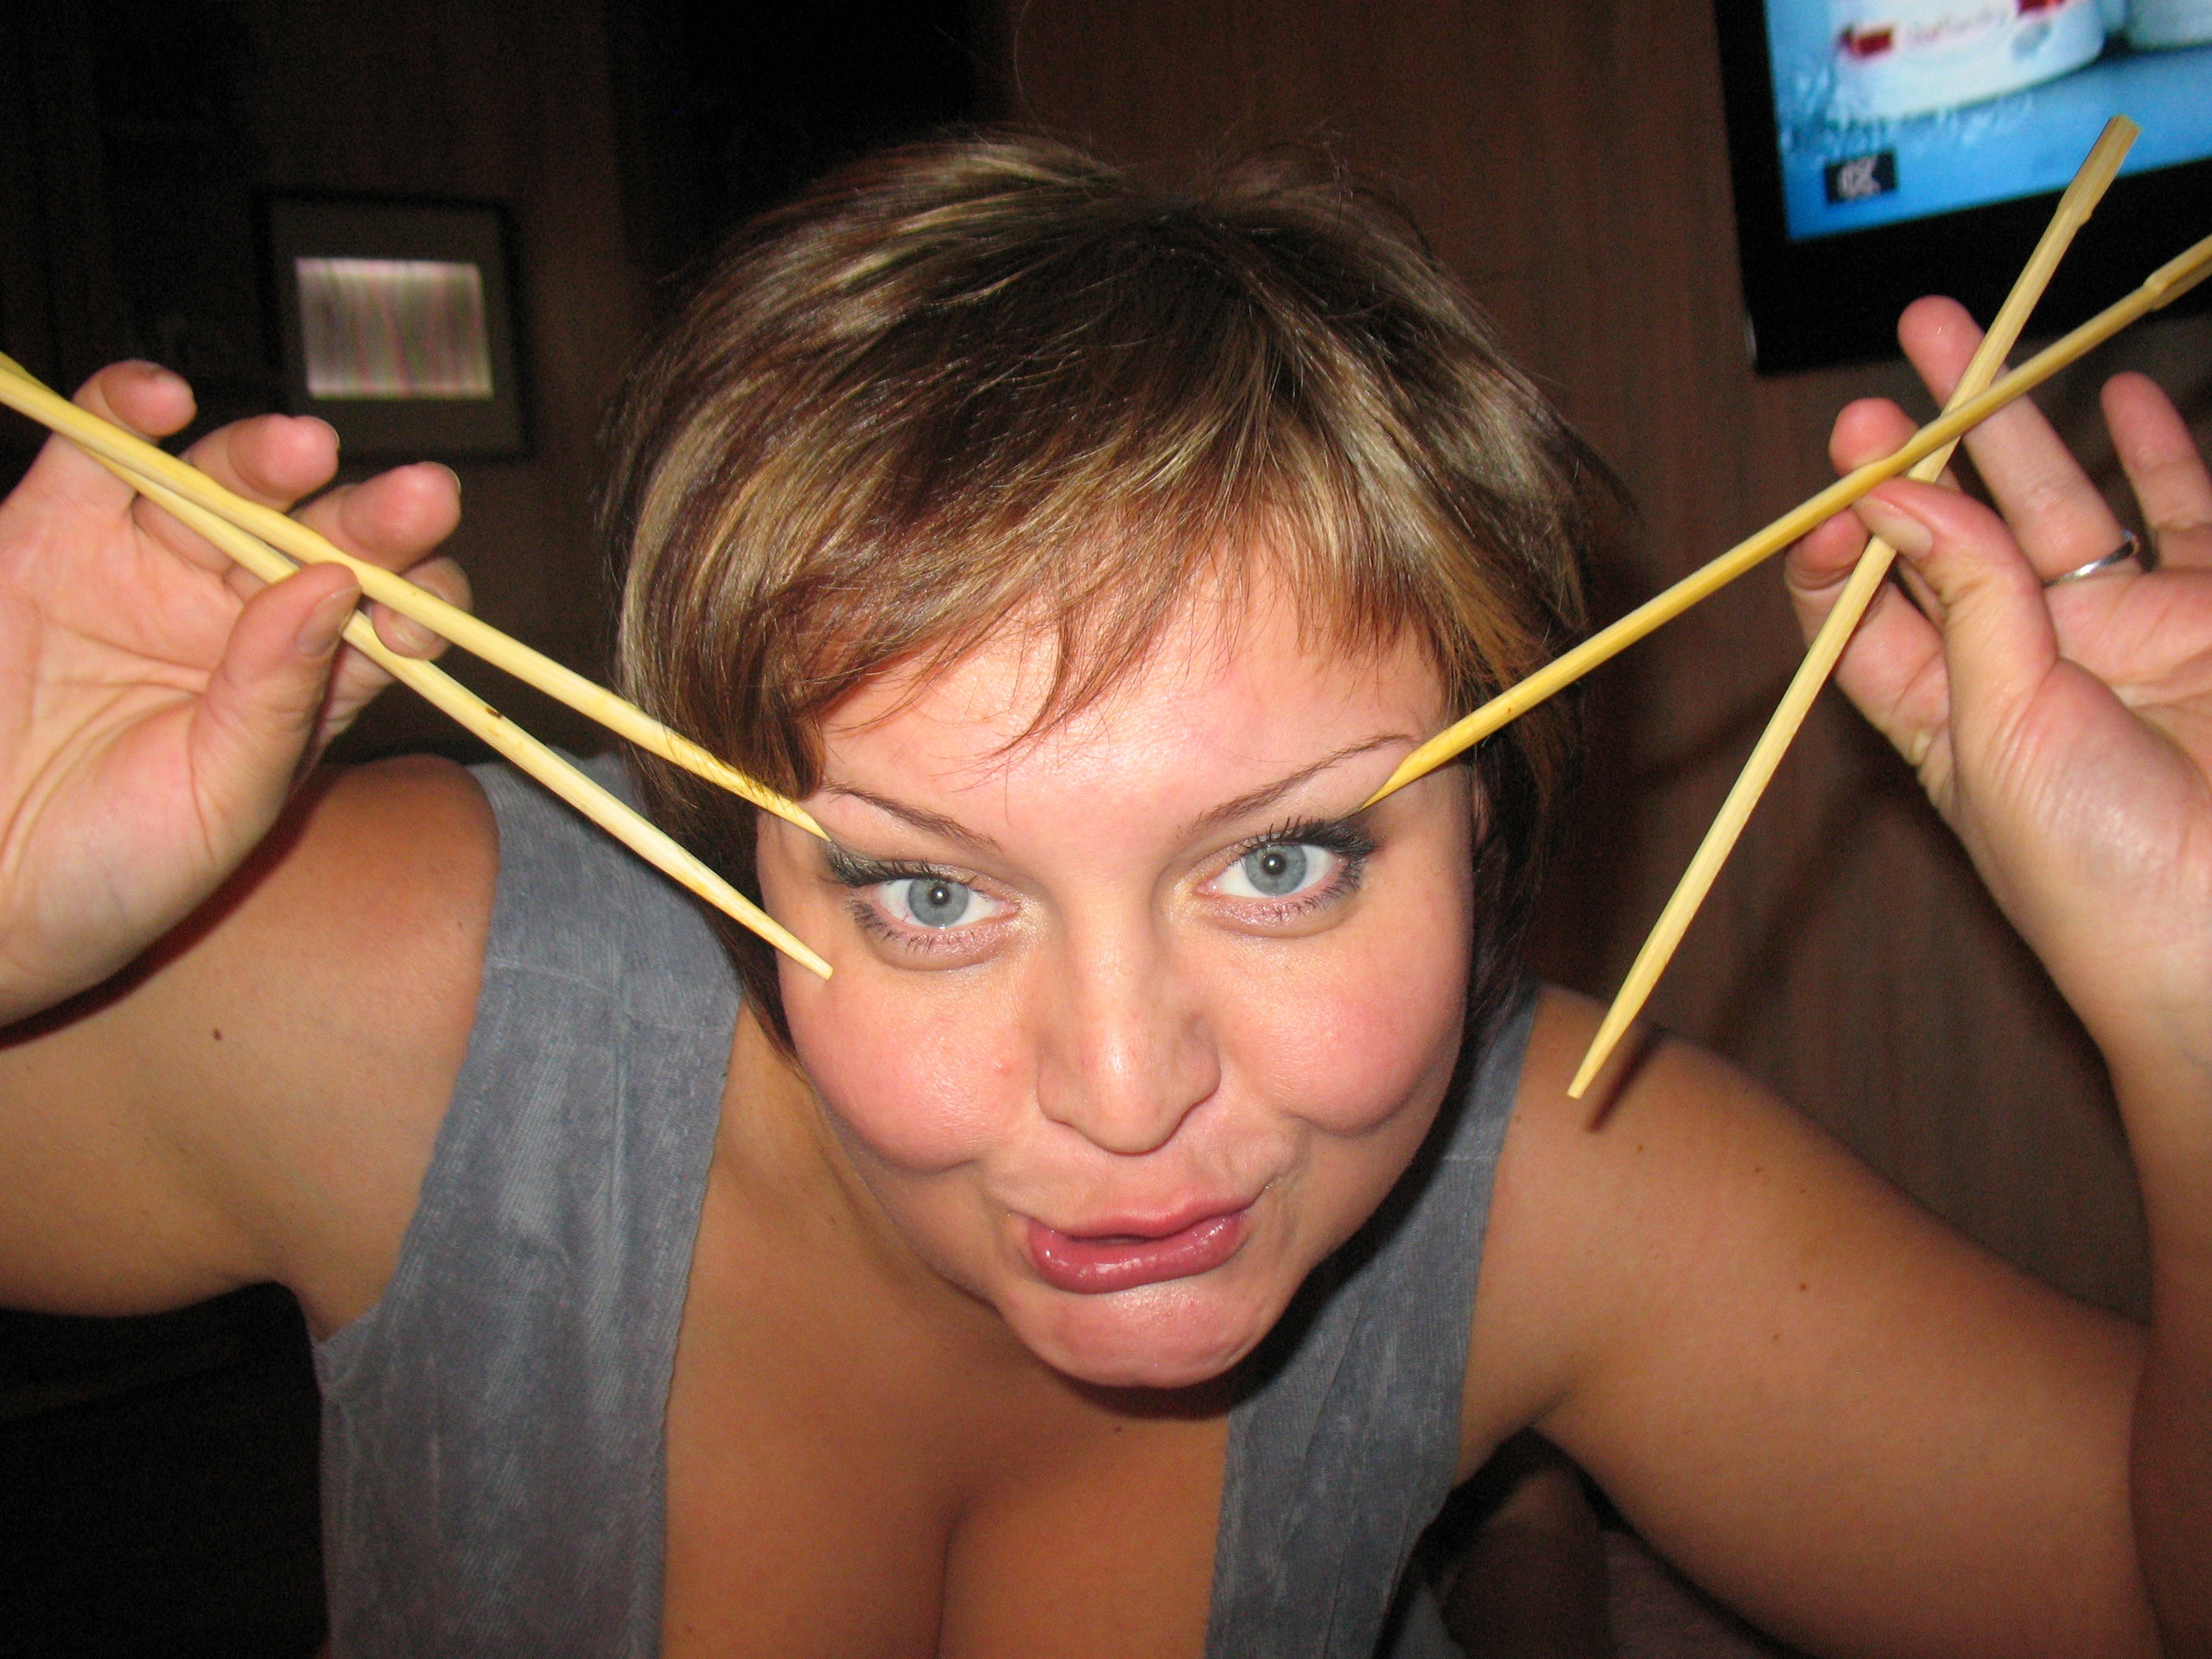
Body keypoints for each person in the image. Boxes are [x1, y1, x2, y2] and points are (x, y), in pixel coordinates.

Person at [0, 135, 2204, 1658]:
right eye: (925, 894)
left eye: (1280, 860)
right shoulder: (424, 1001)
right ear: (720, 828)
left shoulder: (1560, 1168)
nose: (1126, 1094)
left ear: (1488, 821)